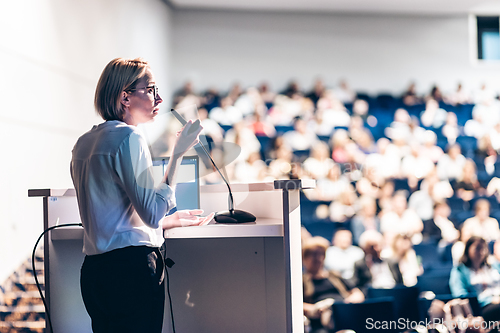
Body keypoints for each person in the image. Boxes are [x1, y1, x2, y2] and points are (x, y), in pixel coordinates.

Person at [71, 58, 214, 333]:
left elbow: (111, 215)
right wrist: (178, 153)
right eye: (150, 89)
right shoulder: (130, 138)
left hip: (94, 273)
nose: (159, 98)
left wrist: (166, 222)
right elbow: (151, 213)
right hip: (130, 273)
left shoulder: (83, 143)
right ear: (125, 97)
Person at [302, 237, 365, 333]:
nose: (318, 258)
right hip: (319, 321)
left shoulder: (334, 275)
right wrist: (314, 309)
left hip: (342, 315)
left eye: (321, 254)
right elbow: (295, 305)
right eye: (314, 254)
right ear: (305, 257)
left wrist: (346, 303)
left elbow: (357, 293)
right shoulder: (302, 280)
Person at [449, 236, 500, 325]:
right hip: (480, 308)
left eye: (484, 248)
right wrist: (489, 300)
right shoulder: (460, 270)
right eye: (477, 248)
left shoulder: (493, 266)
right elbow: (460, 294)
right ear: (468, 249)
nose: (481, 252)